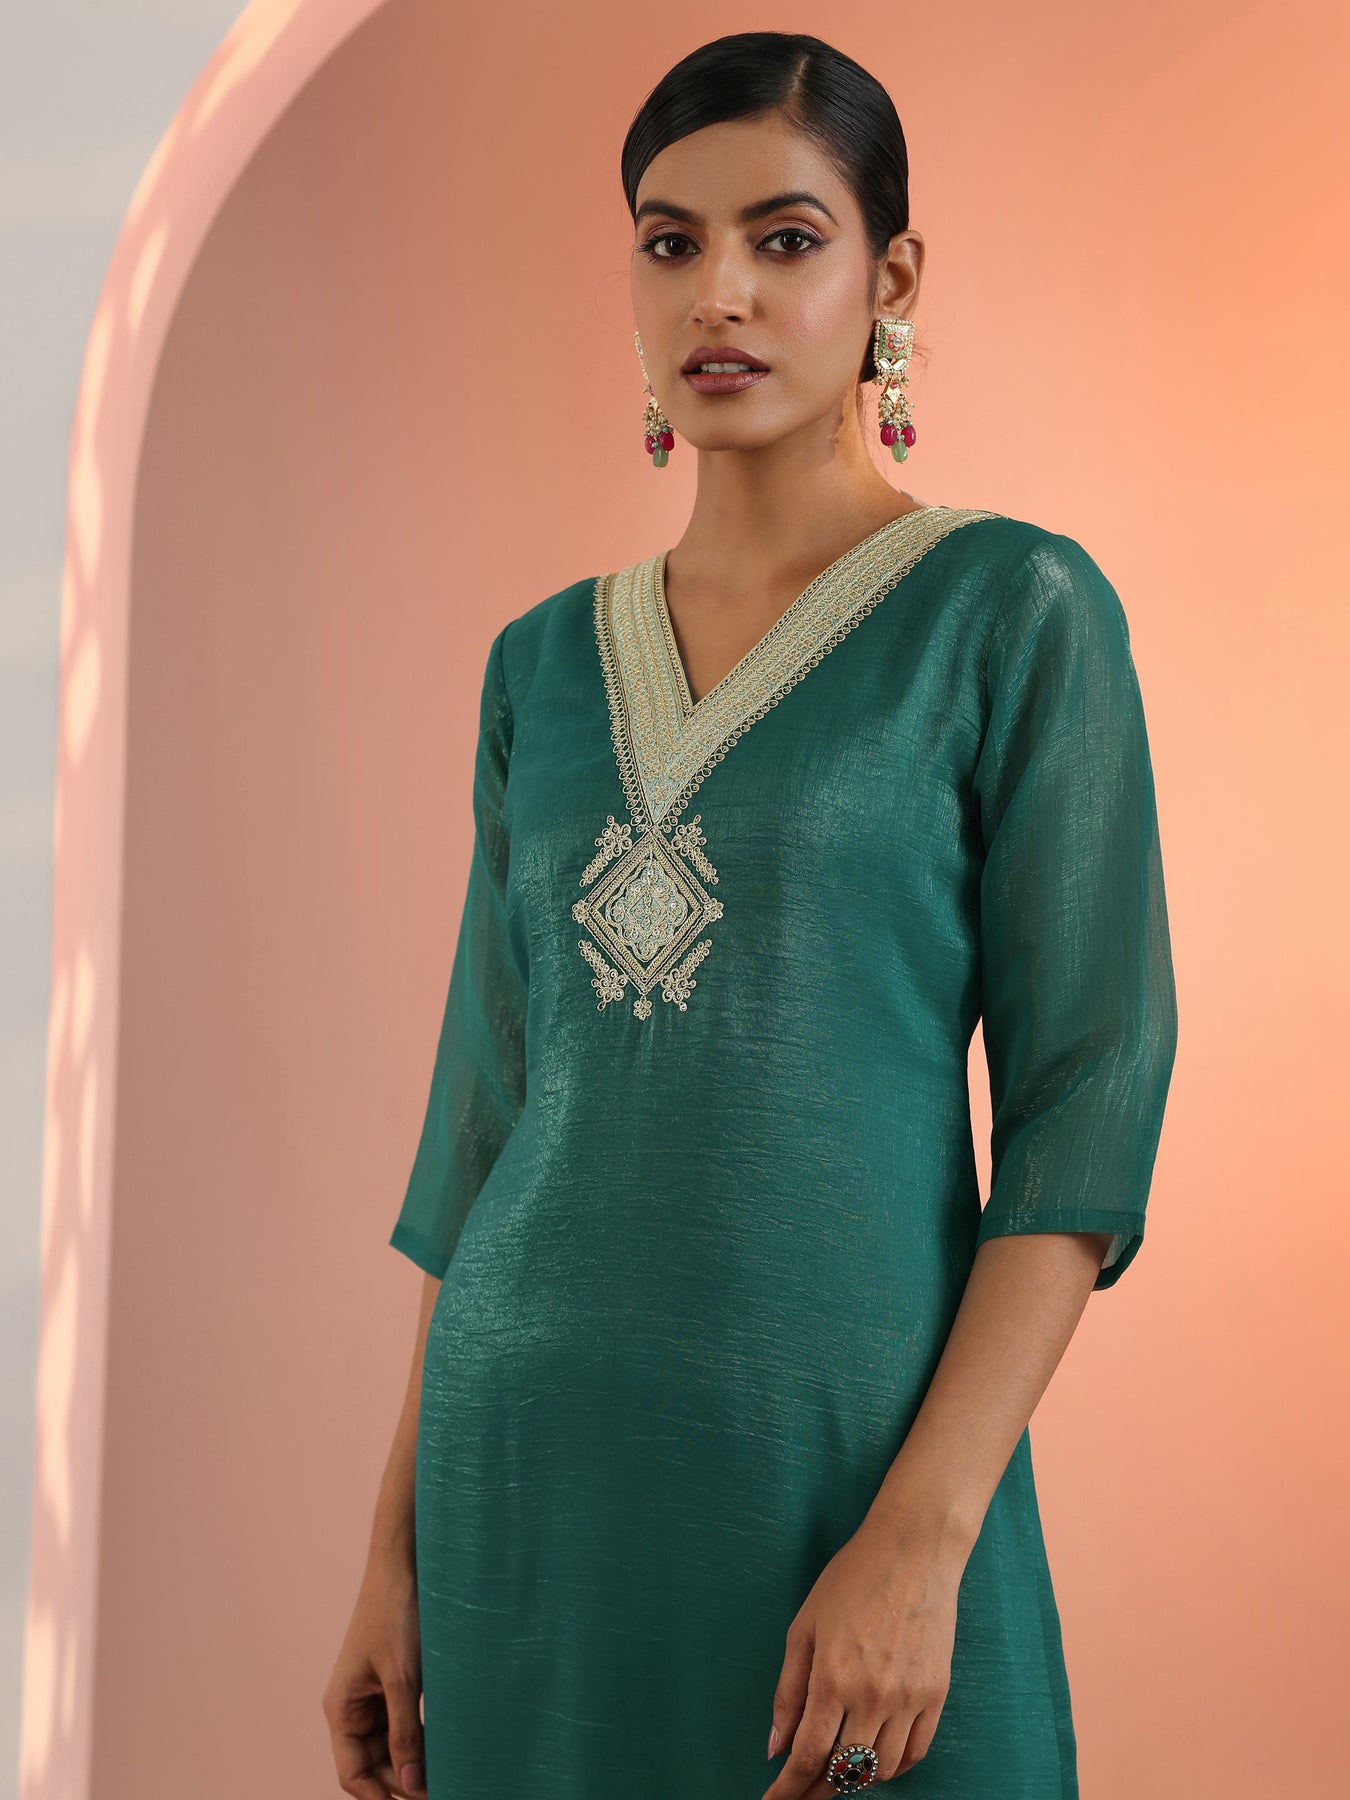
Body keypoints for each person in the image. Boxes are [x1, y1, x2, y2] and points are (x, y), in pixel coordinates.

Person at [322, 29, 1178, 1800]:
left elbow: (1086, 1100)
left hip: (842, 1483)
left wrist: (922, 1541)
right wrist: (392, 1555)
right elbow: (487, 1117)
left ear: (890, 279)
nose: (717, 292)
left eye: (784, 239)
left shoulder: (1009, 612)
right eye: (669, 242)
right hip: (521, 1497)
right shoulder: (540, 665)